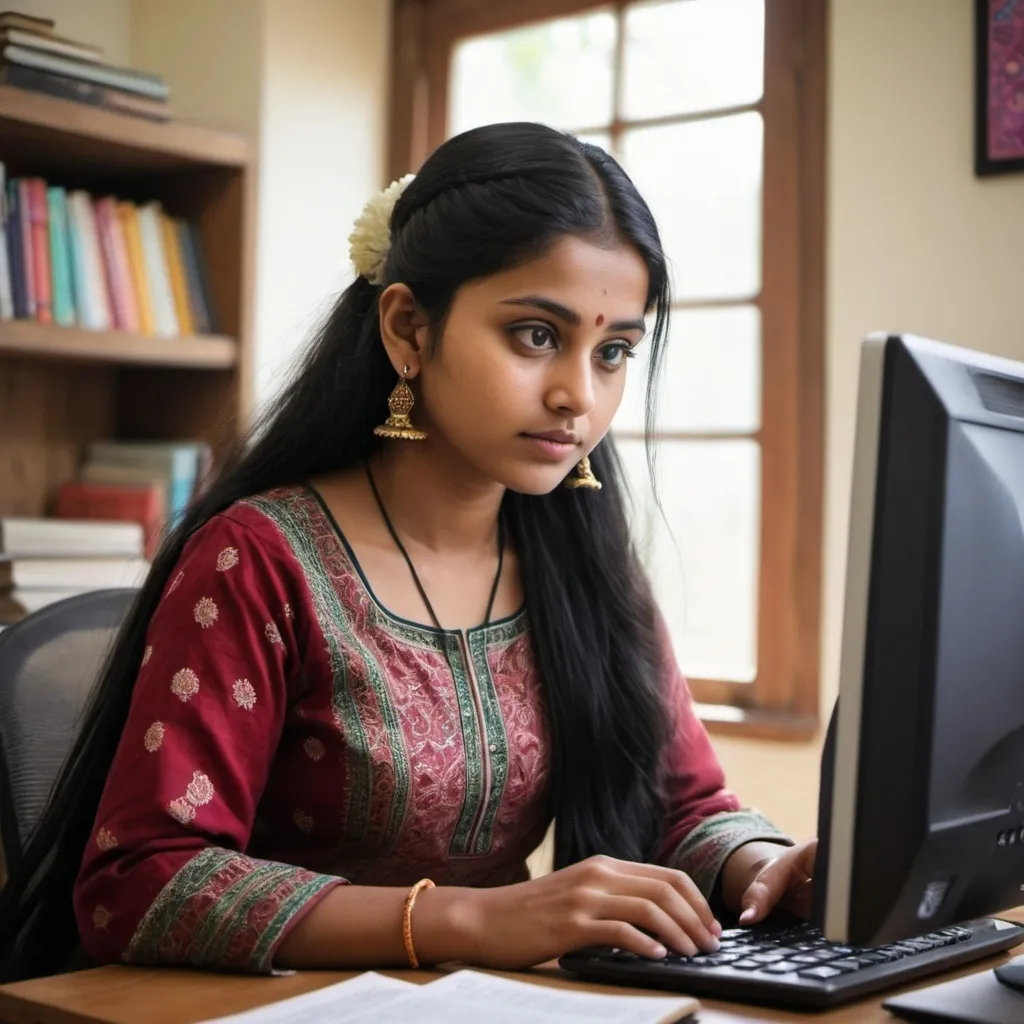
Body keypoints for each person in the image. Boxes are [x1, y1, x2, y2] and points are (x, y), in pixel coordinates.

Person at [0, 122, 816, 981]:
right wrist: (468, 919)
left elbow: (681, 808)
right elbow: (144, 881)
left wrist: (767, 868)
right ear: (408, 332)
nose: (581, 393)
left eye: (613, 352)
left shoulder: (582, 561)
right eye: (537, 335)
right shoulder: (260, 561)